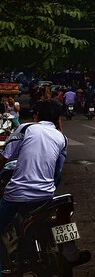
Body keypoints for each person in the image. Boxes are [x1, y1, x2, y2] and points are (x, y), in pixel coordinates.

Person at [0, 100, 67, 269]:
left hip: (16, 196)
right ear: (58, 118)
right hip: (46, 197)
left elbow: (4, 158)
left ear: (36, 116)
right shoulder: (62, 138)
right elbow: (57, 173)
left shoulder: (25, 128)